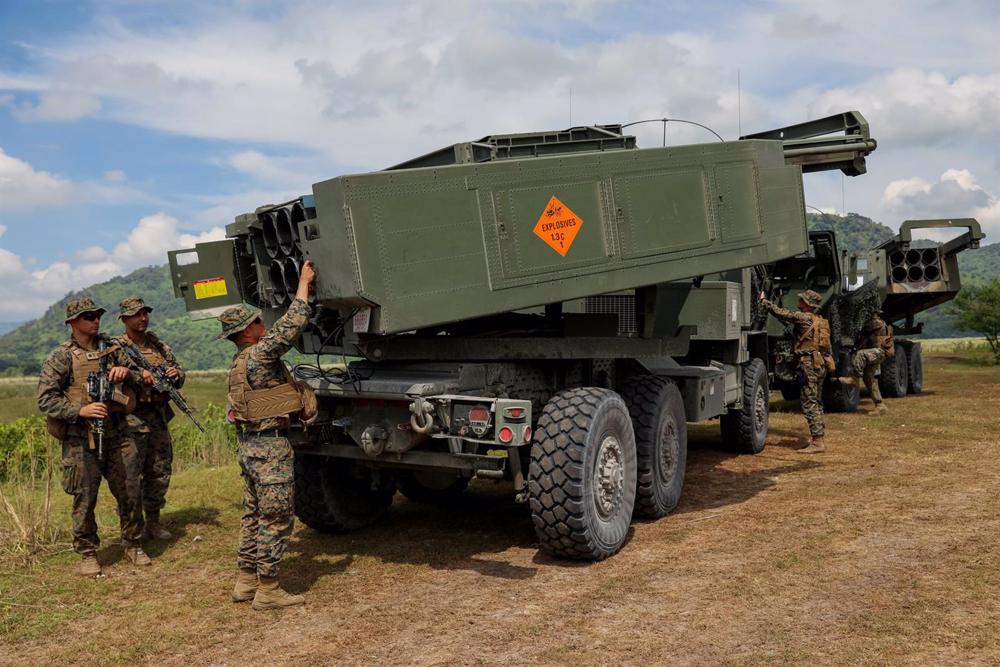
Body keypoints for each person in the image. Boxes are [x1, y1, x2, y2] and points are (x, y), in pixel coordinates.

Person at [220, 260, 315, 611]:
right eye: (258, 322)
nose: (264, 325)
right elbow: (290, 326)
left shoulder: (239, 363)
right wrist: (304, 283)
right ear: (247, 332)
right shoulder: (259, 356)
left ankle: (246, 580)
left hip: (249, 448)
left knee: (253, 514)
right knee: (276, 517)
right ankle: (269, 588)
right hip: (270, 447)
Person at [37, 297, 150, 576]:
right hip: (80, 438)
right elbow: (45, 398)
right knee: (84, 497)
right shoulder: (62, 356)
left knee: (130, 489)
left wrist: (127, 372)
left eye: (97, 315)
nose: (94, 320)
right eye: (88, 316)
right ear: (72, 322)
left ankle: (133, 543)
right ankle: (88, 552)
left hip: (118, 430)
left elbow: (142, 375)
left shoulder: (113, 348)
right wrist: (80, 409)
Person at [115, 296, 185, 540]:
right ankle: (132, 530)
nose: (142, 318)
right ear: (124, 319)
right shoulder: (116, 348)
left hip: (158, 416)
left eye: (145, 313)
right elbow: (109, 374)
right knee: (130, 476)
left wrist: (176, 374)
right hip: (130, 419)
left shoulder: (158, 345)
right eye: (136, 314)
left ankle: (153, 522)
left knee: (159, 470)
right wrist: (137, 374)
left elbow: (178, 373)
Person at [760, 289, 835, 453]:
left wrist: (764, 301)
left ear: (807, 304)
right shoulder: (820, 320)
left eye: (802, 300)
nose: (798, 301)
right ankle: (819, 434)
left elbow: (782, 313)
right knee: (817, 400)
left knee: (809, 402)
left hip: (808, 364)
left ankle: (818, 442)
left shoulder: (803, 318)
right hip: (820, 363)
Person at [838, 309, 894, 414]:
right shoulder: (876, 323)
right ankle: (880, 405)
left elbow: (861, 328)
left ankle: (854, 378)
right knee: (869, 378)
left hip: (879, 351)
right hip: (875, 352)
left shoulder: (876, 322)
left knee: (861, 354)